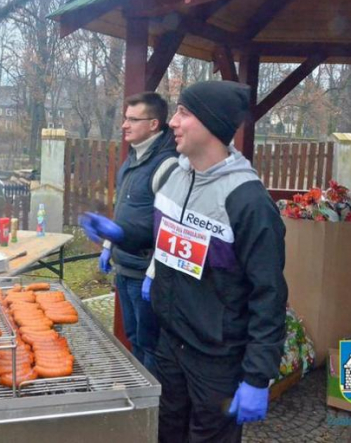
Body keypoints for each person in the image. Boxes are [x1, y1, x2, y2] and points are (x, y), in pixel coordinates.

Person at [141, 81, 288, 442]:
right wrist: (122, 238)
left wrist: (257, 377)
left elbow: (268, 295)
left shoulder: (249, 202)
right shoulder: (175, 175)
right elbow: (163, 240)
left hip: (217, 360)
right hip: (171, 345)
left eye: (184, 113)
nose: (172, 121)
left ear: (211, 124)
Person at [78, 92, 177, 377]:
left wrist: (154, 272)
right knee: (134, 337)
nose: (124, 125)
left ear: (154, 124)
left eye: (133, 119)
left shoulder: (166, 165)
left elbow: (170, 226)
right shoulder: (132, 160)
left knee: (151, 345)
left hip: (147, 272)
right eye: (125, 118)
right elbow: (125, 211)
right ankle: (140, 399)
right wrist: (110, 243)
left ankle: (156, 410)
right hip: (125, 266)